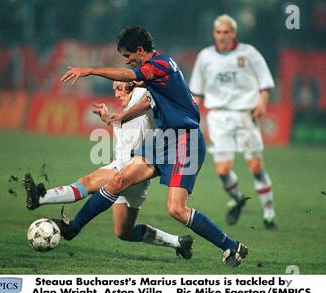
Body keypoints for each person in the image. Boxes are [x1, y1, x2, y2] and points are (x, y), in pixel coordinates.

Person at [56, 26, 248, 267]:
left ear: (139, 50)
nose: (128, 62)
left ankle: (232, 246)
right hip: (164, 140)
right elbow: (149, 100)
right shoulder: (155, 72)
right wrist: (121, 117)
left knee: (176, 209)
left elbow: (127, 76)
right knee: (117, 182)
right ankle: (73, 228)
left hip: (185, 141)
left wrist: (90, 70)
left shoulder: (161, 65)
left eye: (128, 56)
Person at [24, 81, 194, 259]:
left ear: (133, 85)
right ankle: (179, 242)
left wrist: (92, 72)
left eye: (120, 88)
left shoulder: (143, 98)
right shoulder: (129, 109)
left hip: (133, 172)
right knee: (124, 232)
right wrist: (108, 119)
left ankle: (40, 197)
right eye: (114, 90)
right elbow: (128, 129)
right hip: (124, 171)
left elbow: (144, 86)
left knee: (87, 182)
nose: (116, 94)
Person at [189, 14, 277, 230]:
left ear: (234, 33)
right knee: (222, 170)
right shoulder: (205, 56)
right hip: (218, 117)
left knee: (255, 166)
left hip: (245, 115)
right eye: (218, 32)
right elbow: (197, 92)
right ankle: (238, 198)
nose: (222, 36)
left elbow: (265, 84)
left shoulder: (249, 53)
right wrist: (191, 114)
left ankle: (269, 213)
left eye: (226, 32)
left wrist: (262, 103)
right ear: (214, 34)